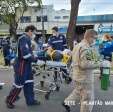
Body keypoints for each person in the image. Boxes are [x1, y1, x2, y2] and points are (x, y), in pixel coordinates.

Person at [62, 29, 100, 112]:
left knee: (78, 91)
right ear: (90, 37)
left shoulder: (78, 45)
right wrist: (99, 64)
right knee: (87, 99)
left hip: (77, 75)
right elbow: (85, 64)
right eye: (95, 38)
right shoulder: (85, 47)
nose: (95, 41)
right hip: (85, 78)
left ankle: (67, 102)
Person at [6, 25, 40, 109]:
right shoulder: (23, 38)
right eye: (34, 32)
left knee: (29, 83)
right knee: (19, 84)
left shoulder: (28, 39)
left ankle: (30, 101)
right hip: (21, 65)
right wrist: (35, 60)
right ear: (29, 31)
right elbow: (25, 55)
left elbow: (29, 52)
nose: (34, 34)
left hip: (27, 65)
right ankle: (9, 100)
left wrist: (35, 56)